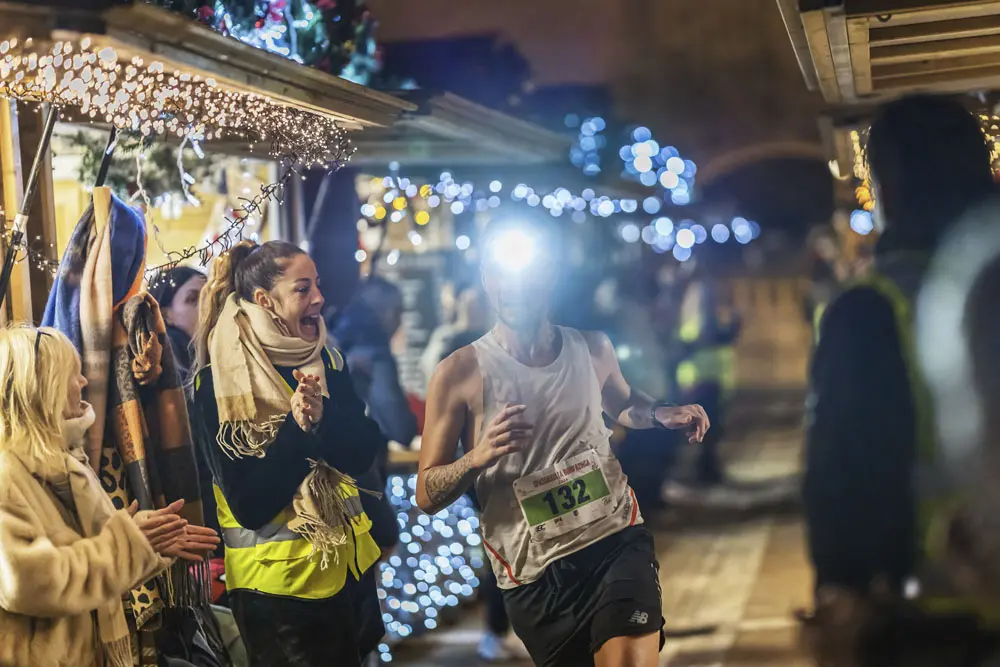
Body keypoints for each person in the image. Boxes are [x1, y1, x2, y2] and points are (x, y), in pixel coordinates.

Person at [415, 217, 710, 667]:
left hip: (614, 538)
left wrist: (659, 413)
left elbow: (622, 401)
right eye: (501, 275)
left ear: (550, 276)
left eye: (526, 276)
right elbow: (426, 493)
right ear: (487, 279)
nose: (514, 288)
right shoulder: (459, 372)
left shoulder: (592, 348)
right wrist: (477, 457)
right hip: (535, 574)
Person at [802, 94, 996, 630]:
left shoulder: (868, 311)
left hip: (935, 614)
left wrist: (842, 593)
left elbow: (844, 478)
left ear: (886, 189)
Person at [189, 240, 387, 667]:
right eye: (302, 288)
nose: (319, 298)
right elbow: (250, 504)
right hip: (276, 597)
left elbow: (361, 453)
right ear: (265, 300)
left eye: (318, 284)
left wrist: (324, 417)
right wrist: (299, 430)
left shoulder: (328, 361)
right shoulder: (219, 383)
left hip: (347, 581)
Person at [0, 325, 218, 667]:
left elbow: (91, 566)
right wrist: (129, 542)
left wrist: (149, 544)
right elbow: (28, 582)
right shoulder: (7, 474)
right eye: (72, 374)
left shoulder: (66, 463)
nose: (83, 382)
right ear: (45, 385)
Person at [149, 265, 207, 385]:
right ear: (165, 315)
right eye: (192, 299)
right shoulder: (165, 362)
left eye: (210, 297)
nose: (206, 305)